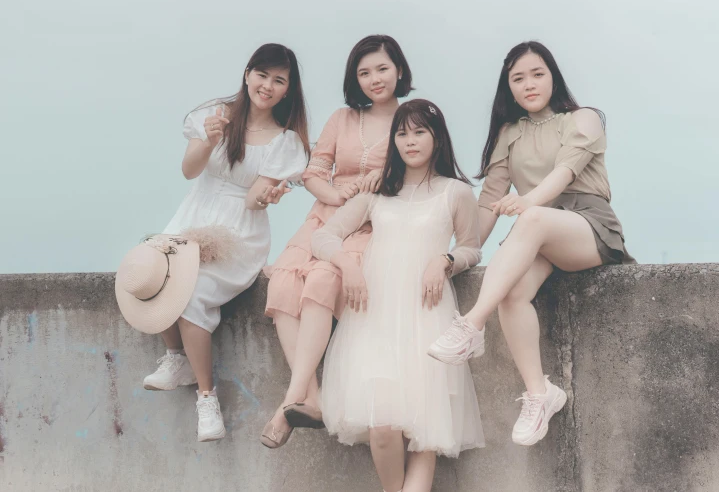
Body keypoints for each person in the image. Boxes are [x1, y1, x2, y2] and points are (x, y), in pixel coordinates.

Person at [428, 41, 634, 447]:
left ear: (553, 75)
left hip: (586, 226)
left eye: (537, 73)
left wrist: (527, 202)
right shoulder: (509, 133)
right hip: (536, 235)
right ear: (509, 88)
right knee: (510, 292)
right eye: (518, 78)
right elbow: (489, 201)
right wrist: (460, 252)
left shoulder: (584, 118)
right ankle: (540, 394)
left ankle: (470, 325)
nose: (529, 84)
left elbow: (563, 174)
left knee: (533, 220)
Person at [312, 99, 485, 492]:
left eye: (419, 131)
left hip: (428, 319)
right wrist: (348, 264)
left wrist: (444, 260)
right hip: (374, 321)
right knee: (384, 429)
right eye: (402, 133)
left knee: (428, 434)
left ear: (437, 138)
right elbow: (324, 236)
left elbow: (472, 248)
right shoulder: (378, 193)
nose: (410, 141)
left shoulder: (455, 192)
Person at [140, 43, 309, 442]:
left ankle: (206, 396)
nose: (267, 85)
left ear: (288, 90)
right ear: (248, 74)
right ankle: (176, 357)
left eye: (278, 80)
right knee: (153, 270)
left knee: (194, 290)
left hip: (239, 230)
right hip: (194, 214)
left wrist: (266, 195)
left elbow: (253, 199)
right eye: (262, 75)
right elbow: (189, 171)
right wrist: (207, 139)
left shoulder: (285, 141)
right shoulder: (215, 114)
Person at [261, 35, 413, 448]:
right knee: (284, 283)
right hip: (325, 216)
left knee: (324, 280)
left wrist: (381, 183)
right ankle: (311, 397)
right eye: (364, 72)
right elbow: (315, 170)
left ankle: (289, 403)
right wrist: (333, 195)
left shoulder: (412, 117)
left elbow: (421, 173)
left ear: (399, 69)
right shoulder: (342, 118)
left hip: (373, 224)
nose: (374, 79)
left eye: (382, 68)